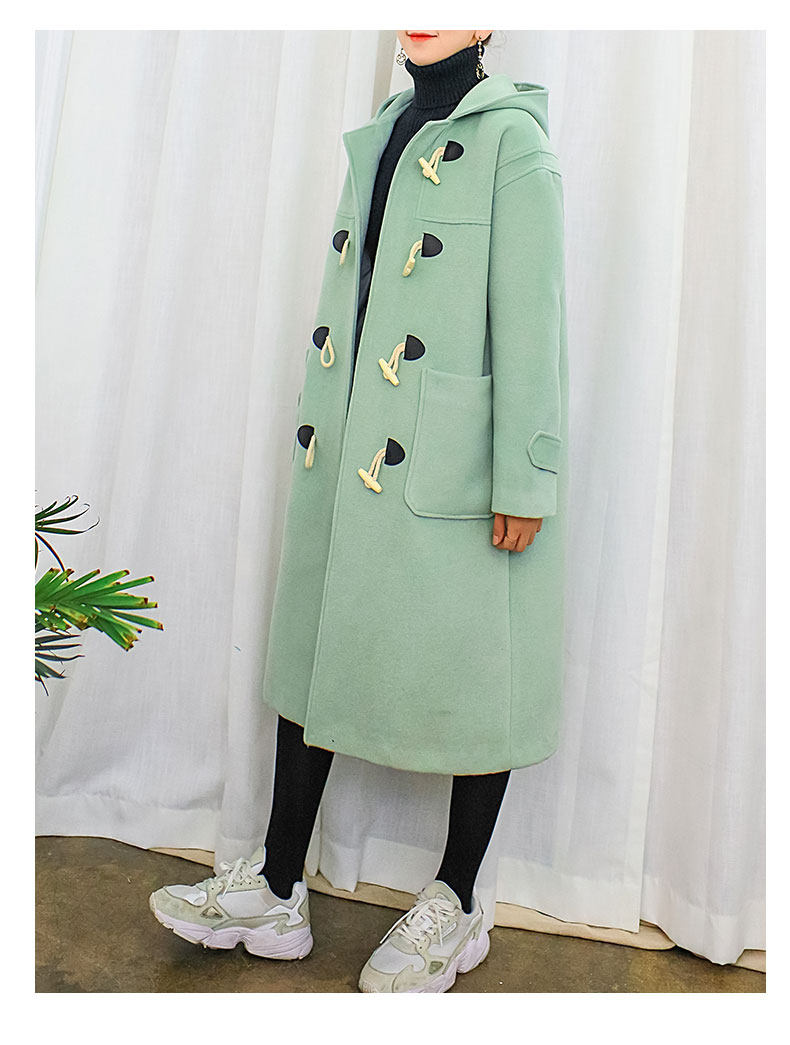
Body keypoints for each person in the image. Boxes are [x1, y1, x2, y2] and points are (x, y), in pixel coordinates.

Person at [150, 29, 569, 994]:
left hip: (453, 460)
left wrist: (527, 476)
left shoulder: (516, 142)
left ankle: (457, 900)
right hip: (354, 442)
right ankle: (278, 885)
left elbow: (534, 321)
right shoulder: (386, 126)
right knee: (317, 645)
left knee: (481, 670)